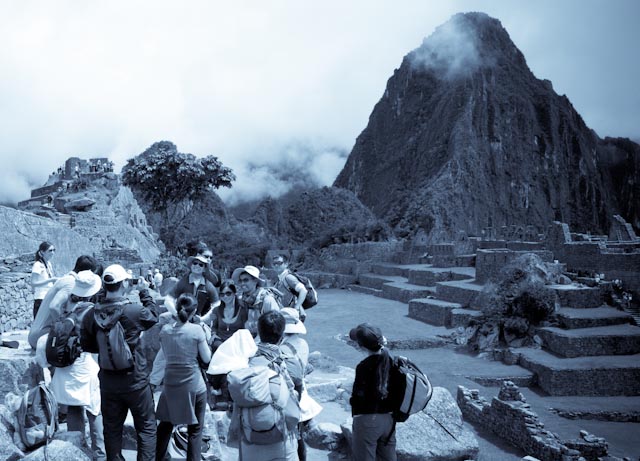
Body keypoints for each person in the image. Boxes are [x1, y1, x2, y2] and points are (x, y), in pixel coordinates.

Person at [80, 264, 159, 461]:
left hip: (108, 381)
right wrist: (144, 292)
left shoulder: (92, 314)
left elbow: (88, 346)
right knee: (146, 428)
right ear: (124, 283)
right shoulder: (134, 311)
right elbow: (154, 316)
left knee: (112, 429)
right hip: (136, 380)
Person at [41, 271, 106, 461]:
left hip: (66, 368)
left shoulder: (67, 306)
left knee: (74, 409)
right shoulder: (92, 310)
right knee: (95, 410)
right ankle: (100, 454)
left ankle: (76, 452)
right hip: (85, 366)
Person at [155, 294, 212, 461]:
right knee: (195, 430)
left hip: (171, 384)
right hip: (194, 384)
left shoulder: (165, 331)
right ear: (194, 311)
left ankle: (156, 457)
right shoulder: (196, 330)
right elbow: (207, 358)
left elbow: (166, 355)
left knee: (165, 425)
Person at [237, 311, 298, 460]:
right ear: (282, 335)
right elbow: (296, 395)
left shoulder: (245, 360)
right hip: (281, 439)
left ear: (259, 331)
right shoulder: (288, 361)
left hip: (249, 437)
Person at [349, 323, 402, 461]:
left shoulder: (363, 367)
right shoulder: (394, 362)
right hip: (389, 421)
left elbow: (357, 398)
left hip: (367, 420)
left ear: (361, 346)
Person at [29, 255, 99, 349]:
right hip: (40, 337)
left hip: (36, 335)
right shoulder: (71, 283)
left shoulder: (65, 279)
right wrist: (63, 330)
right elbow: (54, 307)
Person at [208, 279, 248, 409]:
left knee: (228, 358)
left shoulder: (242, 309)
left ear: (235, 293)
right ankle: (221, 391)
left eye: (228, 293)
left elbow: (246, 328)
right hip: (221, 342)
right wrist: (213, 334)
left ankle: (220, 390)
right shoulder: (217, 310)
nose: (225, 297)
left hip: (236, 343)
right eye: (222, 294)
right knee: (218, 348)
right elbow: (214, 327)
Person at [281, 308, 312, 461]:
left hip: (287, 391)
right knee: (299, 434)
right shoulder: (303, 344)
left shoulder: (282, 346)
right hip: (301, 392)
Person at [232, 265, 281, 338]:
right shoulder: (242, 300)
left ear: (255, 281)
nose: (242, 284)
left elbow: (277, 324)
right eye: (240, 281)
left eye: (245, 280)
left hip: (264, 341)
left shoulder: (267, 300)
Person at [272, 254, 308, 321]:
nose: (276, 265)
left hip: (293, 316)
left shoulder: (288, 277)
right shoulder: (280, 279)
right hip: (287, 315)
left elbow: (303, 290)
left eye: (279, 263)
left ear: (286, 264)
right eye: (274, 263)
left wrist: (296, 307)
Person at [30, 241, 58, 318]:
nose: (52, 253)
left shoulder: (48, 264)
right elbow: (33, 283)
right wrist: (50, 280)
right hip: (41, 298)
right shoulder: (37, 265)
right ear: (42, 252)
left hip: (49, 296)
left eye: (53, 250)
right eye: (50, 250)